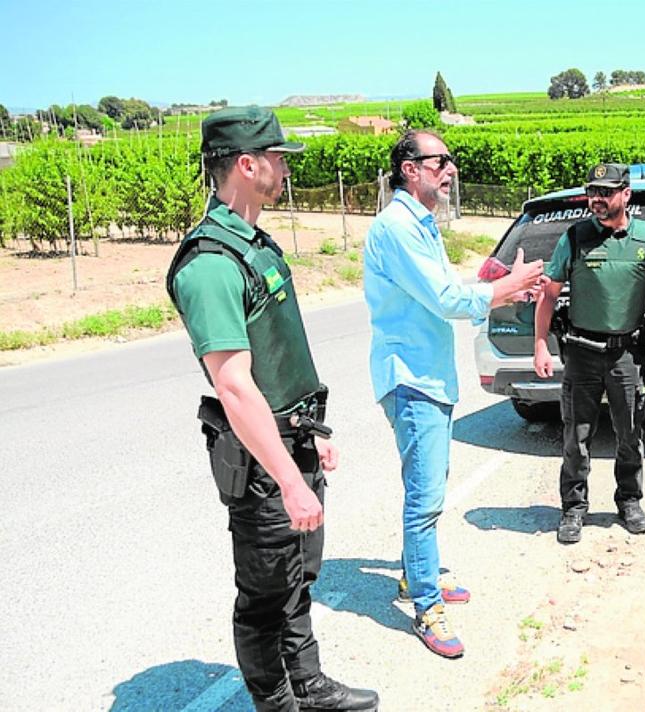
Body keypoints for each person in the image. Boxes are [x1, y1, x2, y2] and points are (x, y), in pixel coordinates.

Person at [166, 106, 377, 712]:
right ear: (245, 164)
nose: (285, 169)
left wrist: (313, 432)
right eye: (278, 158)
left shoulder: (253, 244)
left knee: (298, 578)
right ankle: (277, 703)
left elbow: (277, 356)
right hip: (264, 461)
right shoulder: (210, 262)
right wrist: (289, 478)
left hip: (296, 439)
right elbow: (234, 386)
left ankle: (307, 685)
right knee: (263, 597)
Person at [364, 130, 544, 658]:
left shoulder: (420, 226)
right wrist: (510, 287)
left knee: (430, 488)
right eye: (439, 160)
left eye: (450, 160)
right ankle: (425, 604)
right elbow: (446, 299)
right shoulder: (396, 228)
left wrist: (504, 287)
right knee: (423, 498)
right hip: (411, 379)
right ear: (408, 169)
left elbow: (448, 291)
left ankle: (415, 574)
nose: (450, 170)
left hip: (429, 377)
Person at [532, 163, 645, 545]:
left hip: (626, 355)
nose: (597, 199)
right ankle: (573, 508)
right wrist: (539, 346)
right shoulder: (576, 237)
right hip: (581, 352)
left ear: (626, 195)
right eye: (593, 191)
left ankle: (629, 500)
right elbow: (549, 293)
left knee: (630, 432)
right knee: (575, 436)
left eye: (606, 192)